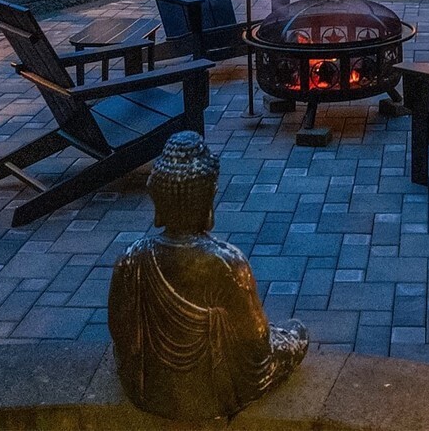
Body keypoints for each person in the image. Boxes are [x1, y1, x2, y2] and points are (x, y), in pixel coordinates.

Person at [108, 133, 309, 418]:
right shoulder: (226, 264)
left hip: (148, 392)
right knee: (296, 335)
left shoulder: (131, 259)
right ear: (207, 200)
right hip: (212, 394)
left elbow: (122, 336)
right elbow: (256, 341)